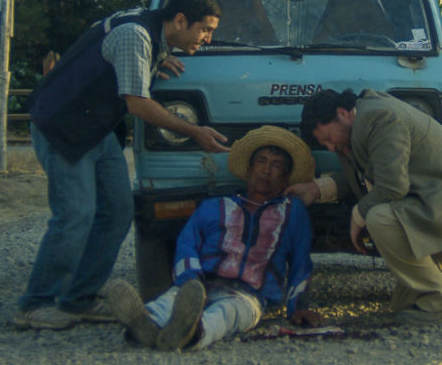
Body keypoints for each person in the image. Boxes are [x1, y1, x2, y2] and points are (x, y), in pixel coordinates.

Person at [13, 0, 231, 331]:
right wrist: (194, 131)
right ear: (179, 19)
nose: (206, 39)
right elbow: (137, 104)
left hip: (96, 129)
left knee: (118, 210)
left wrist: (157, 58)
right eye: (205, 29)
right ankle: (34, 303)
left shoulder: (151, 35)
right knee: (75, 216)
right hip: (63, 128)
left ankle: (79, 299)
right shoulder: (135, 36)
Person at [288, 88, 442, 326]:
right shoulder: (359, 127)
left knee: (378, 218)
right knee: (407, 303)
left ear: (342, 113)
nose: (331, 148)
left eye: (328, 138)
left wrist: (358, 213)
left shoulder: (379, 118)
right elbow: (367, 172)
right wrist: (316, 188)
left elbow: (392, 186)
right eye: (326, 145)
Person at [104, 126, 323, 351]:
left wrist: (296, 307)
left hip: (249, 296)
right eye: (261, 161)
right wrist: (190, 280)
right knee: (170, 300)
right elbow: (187, 244)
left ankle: (192, 334)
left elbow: (301, 260)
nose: (266, 170)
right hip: (201, 285)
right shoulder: (215, 206)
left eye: (276, 166)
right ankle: (144, 325)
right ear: (249, 169)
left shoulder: (292, 211)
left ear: (286, 178)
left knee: (225, 315)